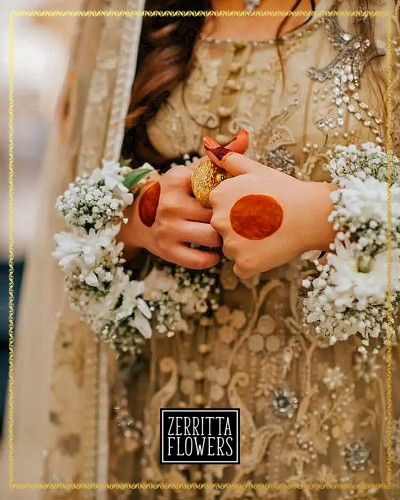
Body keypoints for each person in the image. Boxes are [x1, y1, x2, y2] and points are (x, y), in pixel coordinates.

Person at [2, 0, 400, 498]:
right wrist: (139, 212)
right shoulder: (131, 16)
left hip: (331, 423)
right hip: (161, 420)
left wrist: (325, 213)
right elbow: (71, 201)